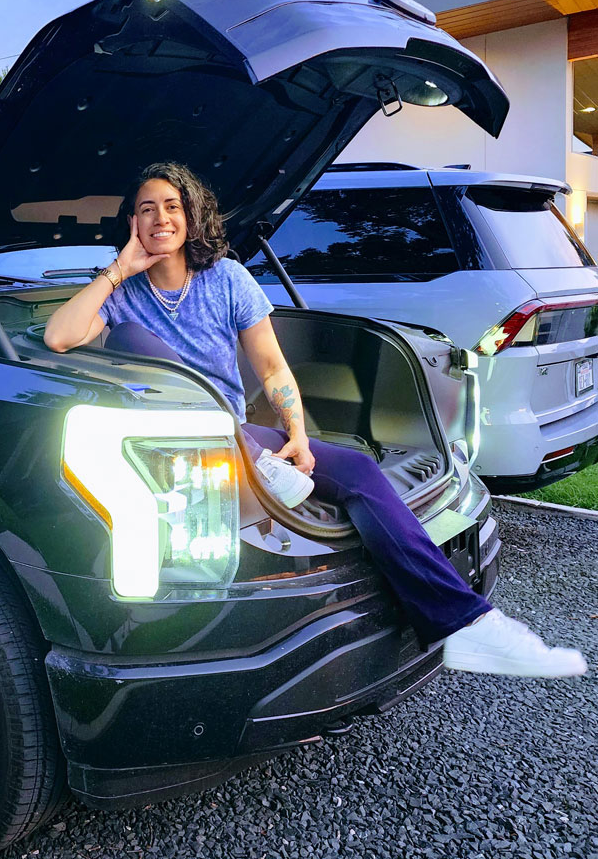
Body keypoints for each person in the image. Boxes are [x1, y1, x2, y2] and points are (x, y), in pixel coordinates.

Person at [44, 162, 586, 678]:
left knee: (359, 472)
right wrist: (118, 270)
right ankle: (256, 462)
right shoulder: (122, 293)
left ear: (191, 217)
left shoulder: (226, 278)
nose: (160, 218)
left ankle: (466, 624)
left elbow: (272, 368)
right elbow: (59, 336)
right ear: (132, 223)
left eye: (172, 206)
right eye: (146, 209)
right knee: (132, 338)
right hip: (179, 445)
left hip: (238, 433)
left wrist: (299, 436)